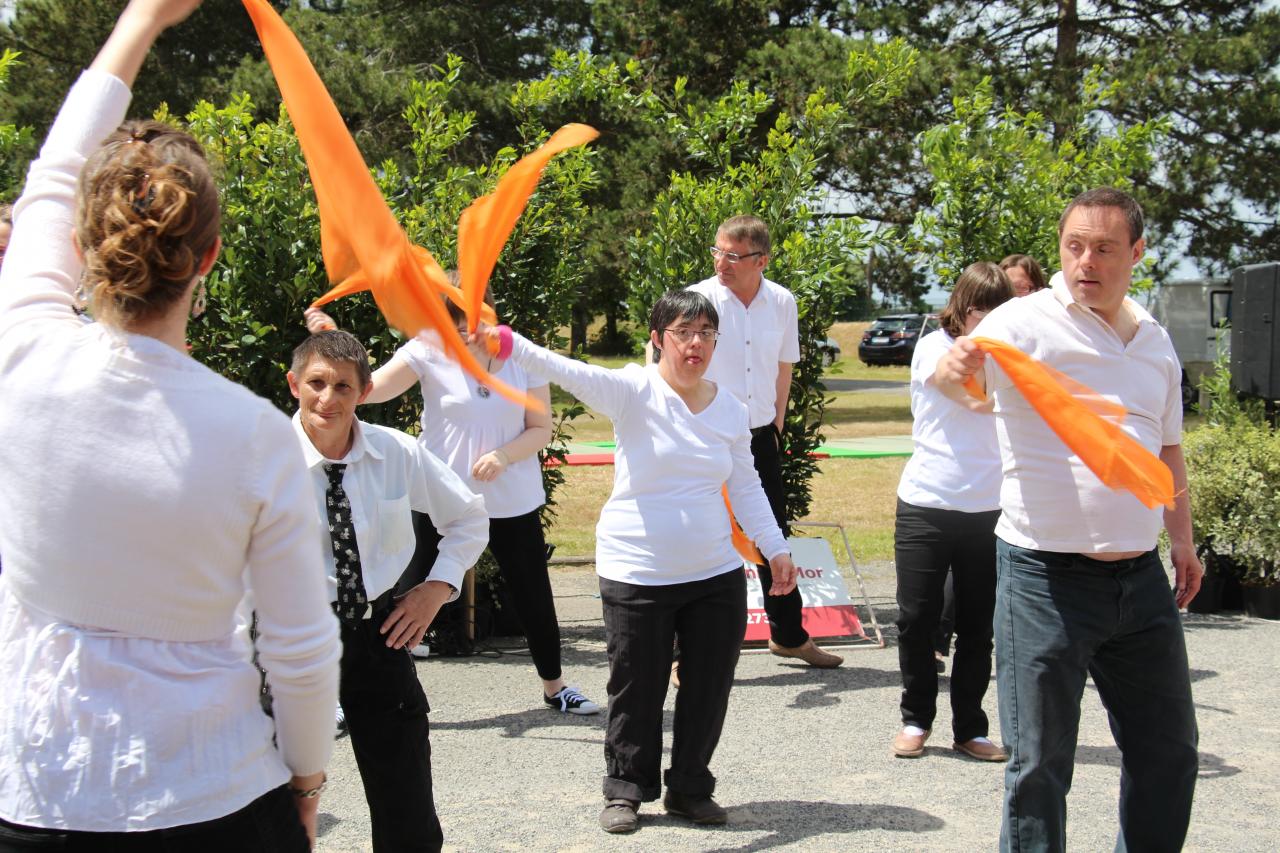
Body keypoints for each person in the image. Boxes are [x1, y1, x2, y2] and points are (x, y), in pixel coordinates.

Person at [0, 2, 341, 849]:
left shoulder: (20, 351)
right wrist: (306, 777)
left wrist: (140, 21)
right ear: (212, 256)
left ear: (81, 242)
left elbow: (51, 174)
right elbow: (299, 649)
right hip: (211, 796)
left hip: (36, 789)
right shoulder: (257, 434)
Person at [936, 188, 1202, 852]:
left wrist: (1183, 540)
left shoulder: (1156, 343)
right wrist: (952, 368)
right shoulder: (1022, 323)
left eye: (1106, 248)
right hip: (1042, 580)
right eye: (1074, 246)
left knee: (1169, 754)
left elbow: (1167, 449)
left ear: (1137, 253)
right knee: (1038, 771)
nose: (1087, 261)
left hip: (1139, 583)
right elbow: (960, 386)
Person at [481, 290, 797, 834]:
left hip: (714, 573)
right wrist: (505, 341)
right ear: (658, 339)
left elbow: (745, 486)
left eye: (705, 333)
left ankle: (690, 787)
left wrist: (776, 549)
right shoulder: (632, 389)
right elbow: (563, 367)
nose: (694, 343)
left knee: (709, 684)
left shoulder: (730, 408)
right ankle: (625, 789)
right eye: (682, 332)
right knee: (636, 684)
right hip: (637, 571)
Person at [304, 288, 600, 715]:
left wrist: (503, 455)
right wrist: (334, 342)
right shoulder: (426, 349)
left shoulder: (521, 353)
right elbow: (368, 390)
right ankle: (358, 693)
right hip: (438, 498)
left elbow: (539, 426)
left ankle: (555, 687)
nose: (466, 334)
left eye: (474, 323)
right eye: (454, 326)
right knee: (401, 595)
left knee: (533, 595)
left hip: (511, 498)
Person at [287, 330, 488, 852]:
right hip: (291, 636)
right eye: (316, 383)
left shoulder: (394, 452)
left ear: (365, 390)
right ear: (293, 385)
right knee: (274, 797)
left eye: (343, 387)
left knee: (405, 798)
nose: (328, 399)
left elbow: (468, 516)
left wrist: (436, 587)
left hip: (379, 632)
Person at [687, 214, 842, 668]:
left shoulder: (782, 302)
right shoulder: (697, 300)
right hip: (706, 437)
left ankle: (789, 635)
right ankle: (684, 653)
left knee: (772, 534)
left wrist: (775, 427)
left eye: (733, 255)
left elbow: (783, 368)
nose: (722, 263)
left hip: (758, 438)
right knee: (700, 538)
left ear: (762, 260)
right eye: (717, 252)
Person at [891, 262, 1014, 762]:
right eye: (977, 310)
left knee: (979, 626)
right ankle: (916, 719)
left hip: (991, 508)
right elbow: (955, 387)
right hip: (927, 503)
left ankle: (971, 728)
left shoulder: (1014, 358)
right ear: (960, 310)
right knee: (916, 618)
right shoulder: (934, 348)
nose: (984, 320)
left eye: (996, 311)